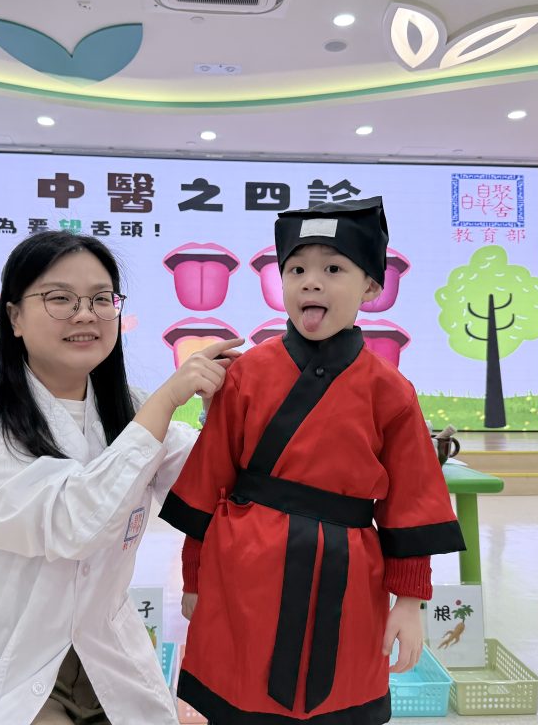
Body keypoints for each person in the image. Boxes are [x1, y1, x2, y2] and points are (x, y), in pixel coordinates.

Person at [159, 197, 467, 724]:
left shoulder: (391, 391)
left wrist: (409, 602)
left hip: (348, 575)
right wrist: (193, 578)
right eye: (296, 270)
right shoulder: (245, 375)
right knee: (239, 690)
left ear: (371, 287)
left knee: (340, 694)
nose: (311, 283)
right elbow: (210, 485)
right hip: (244, 566)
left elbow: (412, 503)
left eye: (333, 269)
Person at [0, 231, 242, 725]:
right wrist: (166, 400)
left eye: (100, 299)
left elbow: (214, 482)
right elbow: (72, 524)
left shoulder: (130, 411)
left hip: (108, 662)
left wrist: (221, 414)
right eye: (60, 299)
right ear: (15, 317)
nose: (86, 314)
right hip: (14, 667)